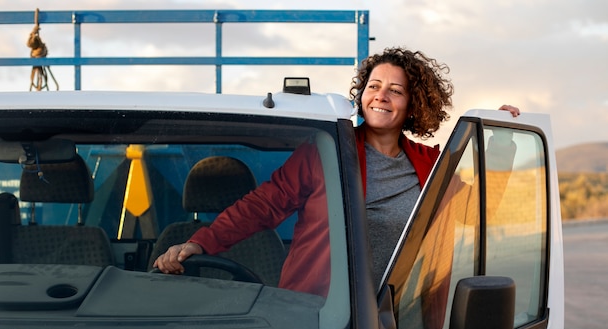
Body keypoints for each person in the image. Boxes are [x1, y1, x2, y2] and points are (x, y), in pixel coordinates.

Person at [153, 46, 520, 298]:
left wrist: (502, 143)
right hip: (325, 314)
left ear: (413, 105)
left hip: (397, 318)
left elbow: (473, 213)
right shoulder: (325, 152)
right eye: (374, 86)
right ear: (362, 95)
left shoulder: (427, 163)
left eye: (395, 90)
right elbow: (263, 205)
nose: (381, 96)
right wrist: (201, 242)